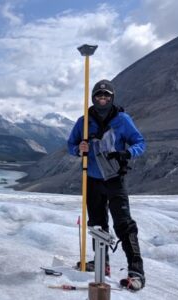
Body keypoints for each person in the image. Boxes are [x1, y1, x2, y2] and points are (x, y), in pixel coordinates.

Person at [67, 79, 146, 291]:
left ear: (112, 98)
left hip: (115, 180)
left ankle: (136, 272)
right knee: (97, 223)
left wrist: (127, 152)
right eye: (98, 96)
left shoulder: (123, 120)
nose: (102, 99)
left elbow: (140, 142)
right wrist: (79, 149)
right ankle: (103, 264)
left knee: (124, 225)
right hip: (92, 180)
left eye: (106, 96)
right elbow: (70, 144)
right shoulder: (84, 121)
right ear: (93, 98)